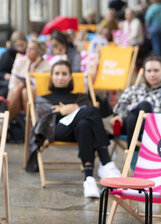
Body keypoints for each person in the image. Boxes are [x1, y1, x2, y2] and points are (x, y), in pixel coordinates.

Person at [41, 60, 121, 198]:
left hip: (79, 133)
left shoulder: (80, 96)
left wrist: (74, 109)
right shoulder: (43, 99)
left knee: (85, 124)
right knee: (90, 111)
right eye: (57, 74)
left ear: (70, 77)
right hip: (57, 131)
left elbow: (99, 114)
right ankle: (106, 161)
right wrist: (67, 111)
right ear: (52, 76)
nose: (60, 77)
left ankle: (88, 179)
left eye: (64, 74)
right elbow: (43, 121)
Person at [110, 56, 161, 155]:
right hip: (129, 126)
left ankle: (132, 156)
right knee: (133, 116)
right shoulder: (134, 89)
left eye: (156, 70)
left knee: (144, 106)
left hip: (153, 129)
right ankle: (135, 154)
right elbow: (118, 109)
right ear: (144, 73)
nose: (152, 74)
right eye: (149, 71)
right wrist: (133, 107)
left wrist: (138, 106)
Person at [8, 39, 51, 121]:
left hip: (37, 95)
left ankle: (28, 121)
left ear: (39, 53)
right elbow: (12, 84)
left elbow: (42, 89)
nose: (28, 50)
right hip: (16, 93)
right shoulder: (20, 61)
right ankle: (11, 122)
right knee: (18, 88)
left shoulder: (46, 67)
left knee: (26, 91)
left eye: (32, 49)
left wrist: (32, 69)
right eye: (27, 48)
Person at [0, 31, 28, 97]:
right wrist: (7, 76)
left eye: (22, 45)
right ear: (13, 45)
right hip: (10, 82)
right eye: (18, 46)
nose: (20, 48)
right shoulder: (7, 55)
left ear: (26, 43)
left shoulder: (29, 53)